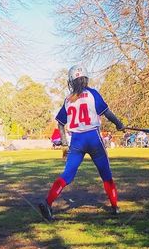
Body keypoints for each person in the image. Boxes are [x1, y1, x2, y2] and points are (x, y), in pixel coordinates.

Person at [37, 65, 126, 221]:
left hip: (76, 140)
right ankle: (115, 206)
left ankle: (48, 202)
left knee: (68, 175)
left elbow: (60, 123)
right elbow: (107, 113)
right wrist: (119, 124)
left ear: (72, 81)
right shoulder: (93, 94)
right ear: (85, 78)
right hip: (93, 138)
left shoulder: (68, 99)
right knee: (106, 174)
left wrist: (64, 143)